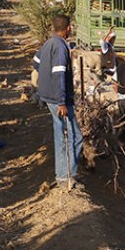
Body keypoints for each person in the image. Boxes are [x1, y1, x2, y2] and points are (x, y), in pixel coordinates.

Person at [33, 14, 83, 189]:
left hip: (48, 95)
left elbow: (36, 62)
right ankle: (66, 176)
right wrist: (62, 101)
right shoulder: (61, 47)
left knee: (61, 133)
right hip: (58, 99)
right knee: (74, 136)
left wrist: (44, 79)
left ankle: (64, 175)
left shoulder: (48, 43)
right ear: (68, 28)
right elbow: (60, 74)